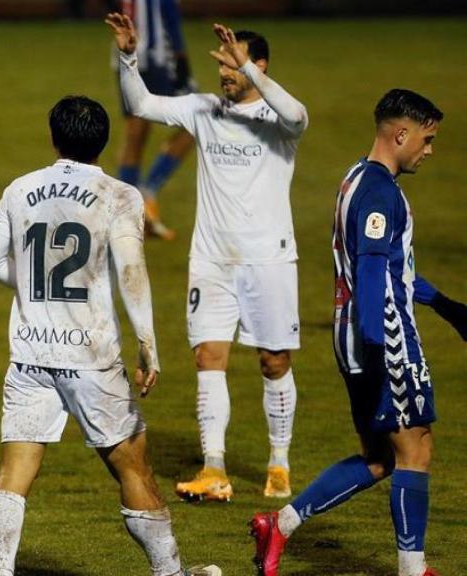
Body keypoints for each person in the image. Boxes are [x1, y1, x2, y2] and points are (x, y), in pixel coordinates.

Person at [0, 95, 220, 576]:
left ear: (53, 137)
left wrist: (30, 283)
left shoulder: (19, 189)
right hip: (92, 358)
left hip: (30, 355)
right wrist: (148, 344)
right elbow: (132, 274)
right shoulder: (120, 195)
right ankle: (170, 574)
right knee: (134, 468)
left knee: (14, 475)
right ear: (104, 143)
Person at [250, 89, 466, 576]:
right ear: (401, 133)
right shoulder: (379, 193)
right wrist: (379, 349)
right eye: (427, 139)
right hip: (383, 339)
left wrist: (447, 307)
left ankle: (279, 524)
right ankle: (414, 569)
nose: (429, 151)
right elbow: (371, 274)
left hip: (353, 335)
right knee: (417, 446)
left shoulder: (355, 178)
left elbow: (393, 269)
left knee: (378, 456)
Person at [108, 13, 309, 502]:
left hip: (269, 259)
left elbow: (299, 114)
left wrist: (253, 73)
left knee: (273, 361)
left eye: (234, 64)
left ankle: (278, 463)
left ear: (258, 65)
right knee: (207, 358)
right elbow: (141, 104)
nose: (224, 71)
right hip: (212, 260)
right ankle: (213, 467)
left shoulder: (279, 123)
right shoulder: (204, 109)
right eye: (221, 62)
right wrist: (128, 57)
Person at [110, 0, 196, 240]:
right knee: (194, 122)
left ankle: (128, 214)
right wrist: (180, 54)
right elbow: (167, 11)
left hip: (126, 52)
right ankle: (145, 196)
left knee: (134, 134)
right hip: (156, 58)